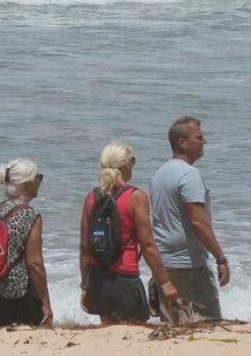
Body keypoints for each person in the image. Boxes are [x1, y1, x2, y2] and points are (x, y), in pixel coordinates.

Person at [79, 142, 178, 324]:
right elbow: (147, 246)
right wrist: (166, 283)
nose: (134, 164)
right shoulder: (135, 197)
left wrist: (85, 286)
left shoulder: (91, 198)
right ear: (124, 165)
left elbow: (85, 248)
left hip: (97, 281)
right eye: (133, 160)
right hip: (125, 282)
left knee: (108, 334)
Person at [147, 115, 230, 322]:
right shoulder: (189, 175)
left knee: (173, 326)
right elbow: (198, 222)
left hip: (165, 263)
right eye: (199, 137)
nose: (204, 142)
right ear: (182, 143)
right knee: (208, 323)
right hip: (188, 265)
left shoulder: (159, 174)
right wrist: (220, 258)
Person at [0, 158, 53, 328]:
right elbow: (35, 264)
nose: (40, 182)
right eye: (38, 178)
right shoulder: (31, 215)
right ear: (27, 184)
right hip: (19, 298)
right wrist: (46, 303)